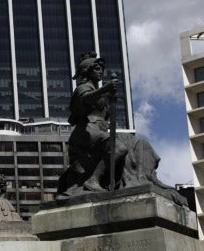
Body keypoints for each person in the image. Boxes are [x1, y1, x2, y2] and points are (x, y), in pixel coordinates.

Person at [58, 52, 179, 199]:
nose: (100, 71)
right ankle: (93, 180)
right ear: (87, 71)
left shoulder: (98, 93)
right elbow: (85, 99)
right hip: (87, 132)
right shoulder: (82, 88)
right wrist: (104, 90)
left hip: (101, 131)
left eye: (101, 68)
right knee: (118, 147)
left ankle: (147, 176)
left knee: (141, 142)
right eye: (96, 68)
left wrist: (108, 96)